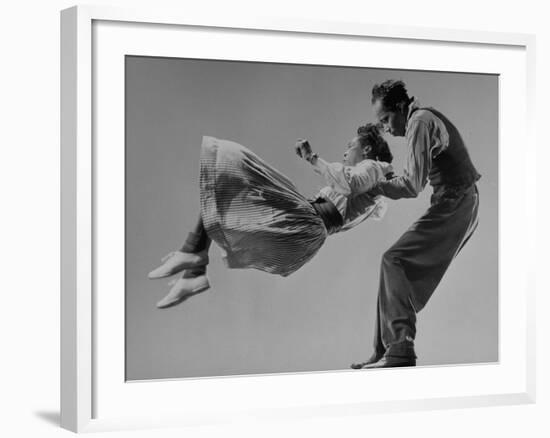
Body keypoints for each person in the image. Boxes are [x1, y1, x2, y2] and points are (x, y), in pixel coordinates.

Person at [148, 124, 394, 309]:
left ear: (367, 149)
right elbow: (369, 201)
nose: (345, 152)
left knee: (233, 166)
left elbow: (349, 183)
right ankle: (193, 271)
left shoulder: (372, 167)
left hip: (307, 220)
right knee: (226, 195)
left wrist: (312, 158)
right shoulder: (375, 188)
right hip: (306, 231)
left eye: (350, 146)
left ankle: (192, 256)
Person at [351, 80, 481, 369]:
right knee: (392, 267)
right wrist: (382, 184)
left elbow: (411, 185)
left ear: (400, 108)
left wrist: (374, 185)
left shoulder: (419, 122)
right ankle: (385, 348)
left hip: (458, 201)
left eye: (385, 119)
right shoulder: (420, 120)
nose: (384, 128)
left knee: (393, 260)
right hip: (457, 201)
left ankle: (399, 349)